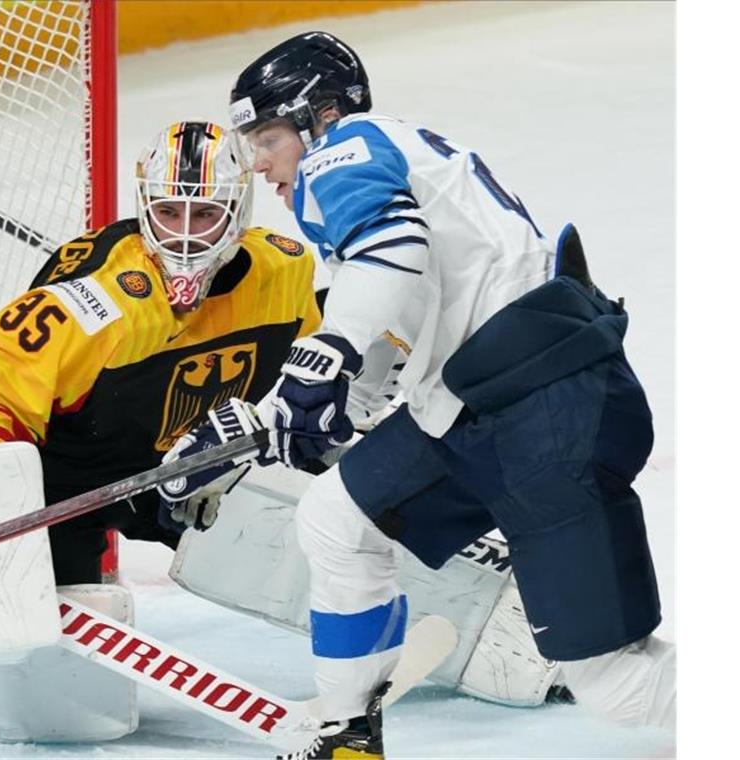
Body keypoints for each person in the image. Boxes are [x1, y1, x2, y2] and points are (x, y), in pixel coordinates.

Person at [177, 31, 675, 759]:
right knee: (337, 519)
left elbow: (393, 254)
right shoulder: (391, 162)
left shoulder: (341, 152)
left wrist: (320, 366)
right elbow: (403, 316)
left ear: (318, 118)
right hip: (480, 406)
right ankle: (348, 732)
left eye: (271, 135)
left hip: (547, 415)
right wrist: (289, 412)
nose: (259, 160)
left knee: (617, 687)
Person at [0, 119, 322, 585]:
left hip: (184, 476)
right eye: (169, 212)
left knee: (315, 548)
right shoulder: (106, 297)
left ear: (239, 211)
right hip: (65, 489)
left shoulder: (283, 271)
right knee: (48, 636)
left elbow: (309, 372)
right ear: (145, 207)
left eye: (205, 215)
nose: (184, 235)